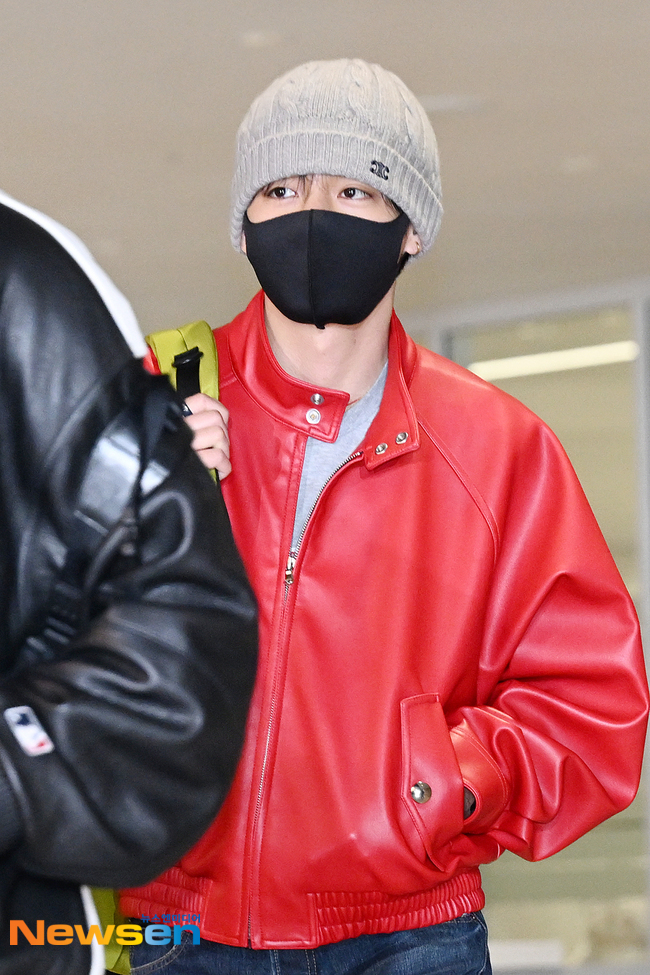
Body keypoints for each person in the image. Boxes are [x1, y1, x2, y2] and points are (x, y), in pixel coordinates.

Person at [125, 59, 649, 975]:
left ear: (412, 227)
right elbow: (36, 629)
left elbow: (593, 705)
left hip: (409, 936)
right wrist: (129, 506)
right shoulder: (147, 404)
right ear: (243, 226)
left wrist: (447, 784)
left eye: (354, 190)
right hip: (172, 927)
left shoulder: (499, 451)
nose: (311, 215)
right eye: (281, 189)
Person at [0, 189, 257, 975]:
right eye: (282, 189)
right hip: (179, 910)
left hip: (388, 918)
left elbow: (178, 650)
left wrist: (452, 788)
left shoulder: (23, 279)